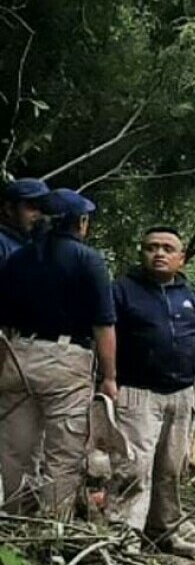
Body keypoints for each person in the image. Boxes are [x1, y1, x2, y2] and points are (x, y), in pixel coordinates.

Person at [107, 226, 195, 552]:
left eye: (167, 248)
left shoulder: (192, 299)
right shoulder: (122, 291)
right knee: (134, 466)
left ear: (181, 258)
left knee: (172, 468)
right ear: (142, 253)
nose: (159, 253)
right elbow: (105, 339)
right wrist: (105, 381)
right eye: (151, 247)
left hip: (181, 395)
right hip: (136, 393)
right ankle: (123, 536)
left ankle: (163, 530)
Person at [0, 188, 116, 520]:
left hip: (18, 355)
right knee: (63, 452)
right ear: (81, 222)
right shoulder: (88, 260)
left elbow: (3, 323)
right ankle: (52, 526)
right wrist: (109, 377)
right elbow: (103, 325)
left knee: (14, 450)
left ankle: (13, 521)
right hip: (65, 361)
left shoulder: (17, 259)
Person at [0, 178, 49, 263]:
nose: (39, 215)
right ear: (9, 209)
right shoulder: (2, 245)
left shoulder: (32, 241)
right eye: (32, 207)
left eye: (43, 208)